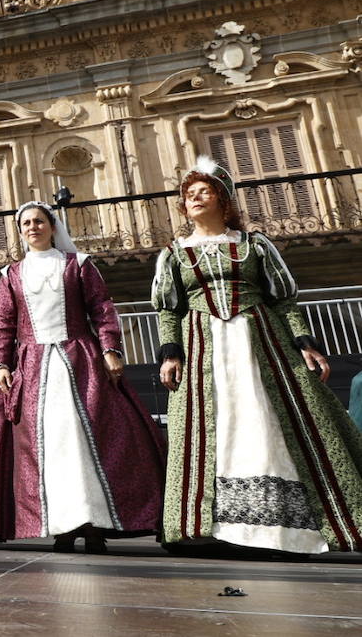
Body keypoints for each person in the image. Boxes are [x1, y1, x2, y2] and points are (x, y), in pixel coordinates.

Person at [153, 157, 362, 553]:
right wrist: (170, 353)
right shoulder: (174, 254)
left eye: (204, 192)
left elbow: (283, 300)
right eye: (188, 194)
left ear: (223, 199)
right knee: (216, 426)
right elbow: (169, 309)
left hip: (261, 343)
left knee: (268, 420)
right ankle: (214, 527)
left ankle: (287, 524)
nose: (194, 198)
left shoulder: (253, 245)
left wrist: (306, 343)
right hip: (202, 349)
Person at [0, 201, 165, 552]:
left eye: (38, 221)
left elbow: (101, 307)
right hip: (33, 372)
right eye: (25, 224)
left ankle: (95, 524)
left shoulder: (78, 265)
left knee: (85, 444)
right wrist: (2, 364)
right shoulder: (11, 275)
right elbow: (2, 323)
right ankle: (62, 526)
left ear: (52, 226)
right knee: (50, 448)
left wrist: (110, 349)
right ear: (20, 232)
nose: (32, 227)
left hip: (82, 363)